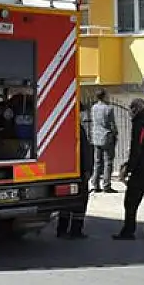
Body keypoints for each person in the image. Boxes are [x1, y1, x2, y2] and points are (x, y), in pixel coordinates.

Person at [113, 98, 144, 241]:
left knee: (130, 202)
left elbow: (137, 148)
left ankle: (128, 231)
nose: (130, 111)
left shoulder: (140, 125)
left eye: (131, 108)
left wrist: (129, 168)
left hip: (142, 169)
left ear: (136, 109)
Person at [56, 110, 92, 239]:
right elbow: (85, 152)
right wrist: (87, 169)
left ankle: (61, 229)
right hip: (79, 171)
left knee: (65, 201)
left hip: (65, 171)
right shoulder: (79, 129)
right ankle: (76, 230)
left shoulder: (64, 128)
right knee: (80, 202)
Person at [89, 89, 118, 193]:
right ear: (104, 96)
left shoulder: (94, 108)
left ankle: (95, 184)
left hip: (96, 137)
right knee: (108, 162)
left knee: (97, 162)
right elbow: (112, 124)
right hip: (106, 136)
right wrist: (115, 133)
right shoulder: (108, 109)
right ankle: (106, 185)